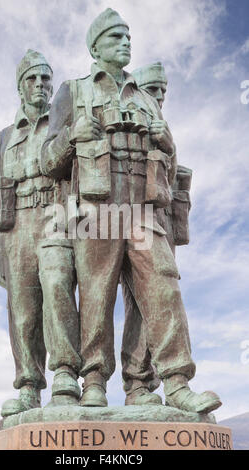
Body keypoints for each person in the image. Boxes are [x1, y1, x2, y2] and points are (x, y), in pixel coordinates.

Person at [41, 9, 221, 414]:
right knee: (96, 296)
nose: (125, 43)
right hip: (97, 208)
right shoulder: (72, 91)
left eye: (128, 38)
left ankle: (175, 383)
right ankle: (93, 381)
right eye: (116, 37)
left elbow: (169, 167)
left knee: (163, 285)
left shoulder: (145, 98)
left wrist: (167, 139)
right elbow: (47, 161)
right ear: (95, 46)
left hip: (142, 209)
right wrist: (72, 137)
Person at [0, 50, 81, 417]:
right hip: (16, 226)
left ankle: (65, 376)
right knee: (23, 309)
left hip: (55, 215)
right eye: (33, 79)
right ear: (20, 87)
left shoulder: (62, 122)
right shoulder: (5, 136)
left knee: (58, 286)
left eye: (46, 79)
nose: (40, 85)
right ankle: (28, 384)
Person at [121, 62, 193, 405]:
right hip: (116, 217)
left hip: (156, 220)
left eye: (163, 90)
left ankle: (152, 382)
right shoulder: (130, 117)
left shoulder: (163, 127)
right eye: (152, 89)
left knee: (158, 295)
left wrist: (168, 143)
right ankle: (132, 381)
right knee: (132, 301)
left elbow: (172, 173)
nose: (159, 96)